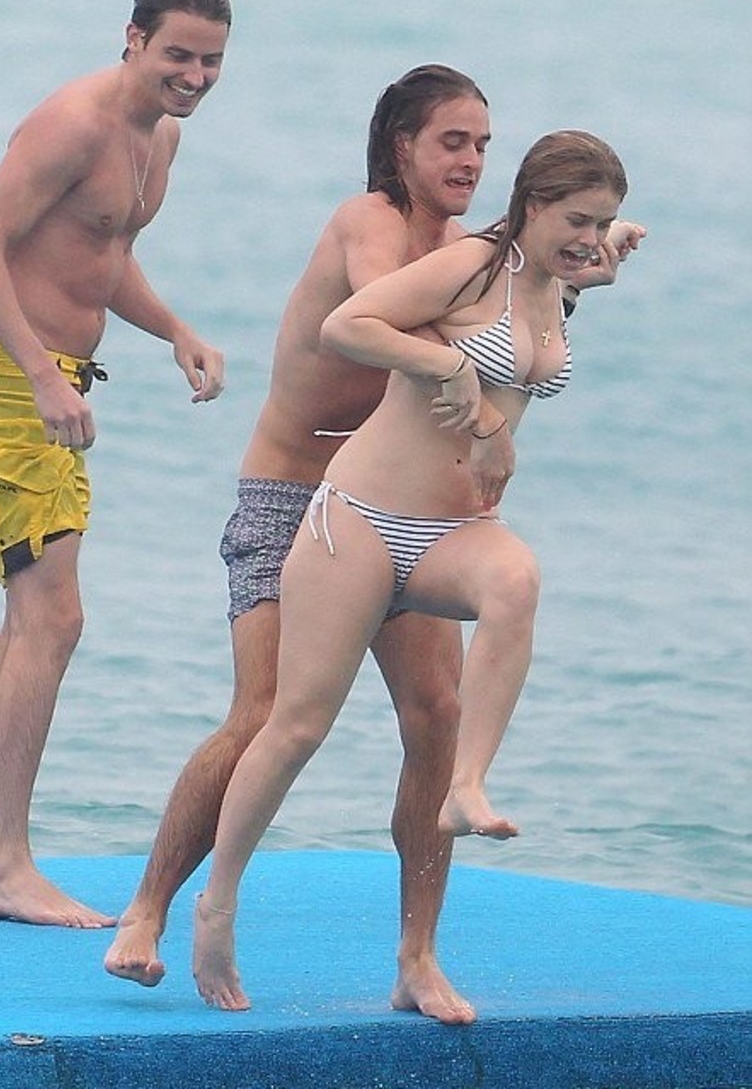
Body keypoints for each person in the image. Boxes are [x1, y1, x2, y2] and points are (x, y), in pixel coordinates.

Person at [106, 66, 637, 1020]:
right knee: (270, 714)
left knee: (436, 716)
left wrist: (572, 256)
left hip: (430, 518)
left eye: (483, 144)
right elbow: (400, 321)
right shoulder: (378, 229)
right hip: (298, 494)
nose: (470, 160)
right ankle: (153, 909)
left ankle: (418, 956)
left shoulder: (488, 256)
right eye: (451, 142)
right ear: (402, 147)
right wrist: (524, 313)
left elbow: (510, 322)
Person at [0, 0, 231, 928]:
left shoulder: (159, 137)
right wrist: (42, 375)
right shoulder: (73, 124)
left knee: (29, 621)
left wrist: (173, 329)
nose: (194, 77)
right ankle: (5, 864)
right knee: (54, 618)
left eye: (211, 61)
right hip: (7, 388)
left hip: (54, 389)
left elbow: (101, 257)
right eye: (177, 55)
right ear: (133, 39)